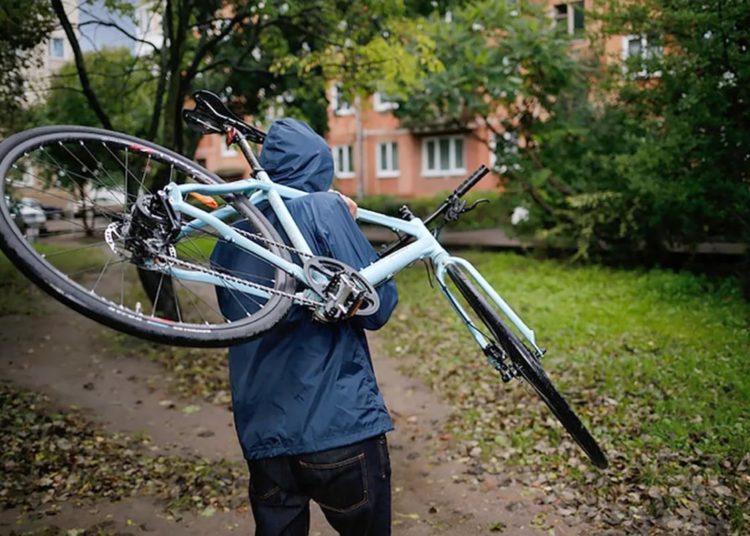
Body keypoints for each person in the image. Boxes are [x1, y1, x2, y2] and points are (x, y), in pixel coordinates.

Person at [210, 118, 398, 536]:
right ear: (320, 166)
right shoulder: (322, 208)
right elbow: (378, 307)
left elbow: (239, 317)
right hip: (339, 427)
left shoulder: (231, 234)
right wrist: (343, 221)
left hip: (265, 439)